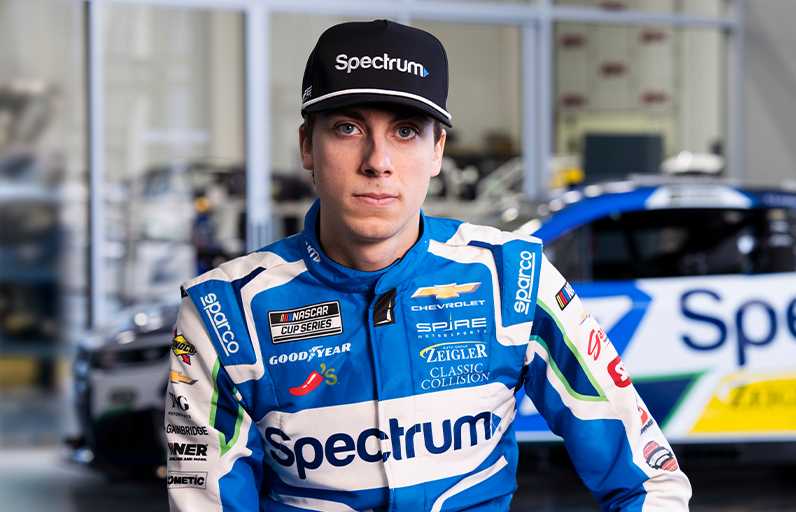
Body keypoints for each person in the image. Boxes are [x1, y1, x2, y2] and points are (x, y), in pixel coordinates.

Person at [165, 19, 692, 511]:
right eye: (348, 128)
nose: (377, 161)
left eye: (406, 131)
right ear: (308, 145)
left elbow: (651, 482)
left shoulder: (515, 279)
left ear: (438, 150)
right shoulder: (223, 314)